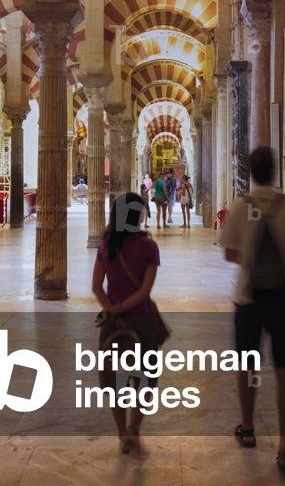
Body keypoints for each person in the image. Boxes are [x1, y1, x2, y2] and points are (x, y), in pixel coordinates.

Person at [220, 146, 285, 477]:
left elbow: (230, 254)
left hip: (249, 300)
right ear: (275, 170)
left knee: (247, 366)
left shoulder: (240, 207)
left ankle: (247, 427)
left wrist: (252, 255)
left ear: (250, 172)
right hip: (283, 299)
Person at [92, 192, 161, 454]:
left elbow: (97, 287)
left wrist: (113, 310)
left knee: (115, 381)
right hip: (141, 321)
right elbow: (144, 291)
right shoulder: (148, 247)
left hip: (112, 323)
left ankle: (122, 433)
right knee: (144, 379)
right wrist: (124, 308)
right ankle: (135, 428)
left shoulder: (106, 245)